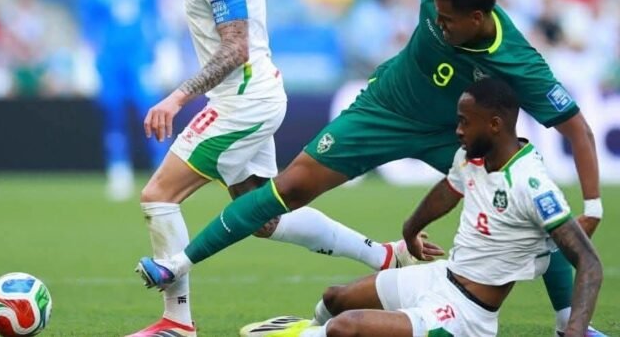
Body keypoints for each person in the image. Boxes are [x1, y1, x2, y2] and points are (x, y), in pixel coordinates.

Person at [137, 0, 605, 337]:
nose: (438, 24)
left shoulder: (518, 59)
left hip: (449, 133)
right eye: (436, 15)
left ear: (479, 18)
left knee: (532, 211)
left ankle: (570, 324)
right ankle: (363, 263)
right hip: (382, 111)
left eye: (448, 21)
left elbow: (577, 128)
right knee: (290, 188)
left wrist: (592, 207)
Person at [126, 0, 428, 337]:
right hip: (258, 93)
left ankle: (176, 322)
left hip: (240, 103)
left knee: (158, 195)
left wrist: (176, 98)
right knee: (262, 215)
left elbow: (236, 48)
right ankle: (385, 255)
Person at [240, 79, 603, 337]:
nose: (457, 130)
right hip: (441, 277)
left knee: (345, 328)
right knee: (335, 298)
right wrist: (410, 230)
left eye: (464, 122)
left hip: (465, 315)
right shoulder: (472, 156)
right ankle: (308, 328)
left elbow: (589, 263)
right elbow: (447, 190)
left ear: (495, 124)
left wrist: (574, 330)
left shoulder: (531, 185)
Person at [81, 0, 170, 200]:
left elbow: (156, 17)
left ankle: (164, 169)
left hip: (140, 58)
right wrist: (86, 57)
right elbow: (89, 25)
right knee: (113, 113)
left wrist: (163, 50)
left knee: (151, 110)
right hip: (109, 60)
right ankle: (118, 169)